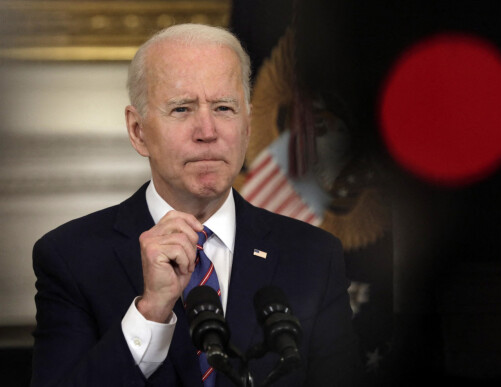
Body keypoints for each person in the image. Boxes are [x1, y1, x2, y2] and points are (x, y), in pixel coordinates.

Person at [31, 23, 360, 386]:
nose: (207, 131)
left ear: (248, 125)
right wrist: (150, 312)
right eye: (182, 109)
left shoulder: (314, 256)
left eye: (223, 107)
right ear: (138, 131)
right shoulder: (71, 258)